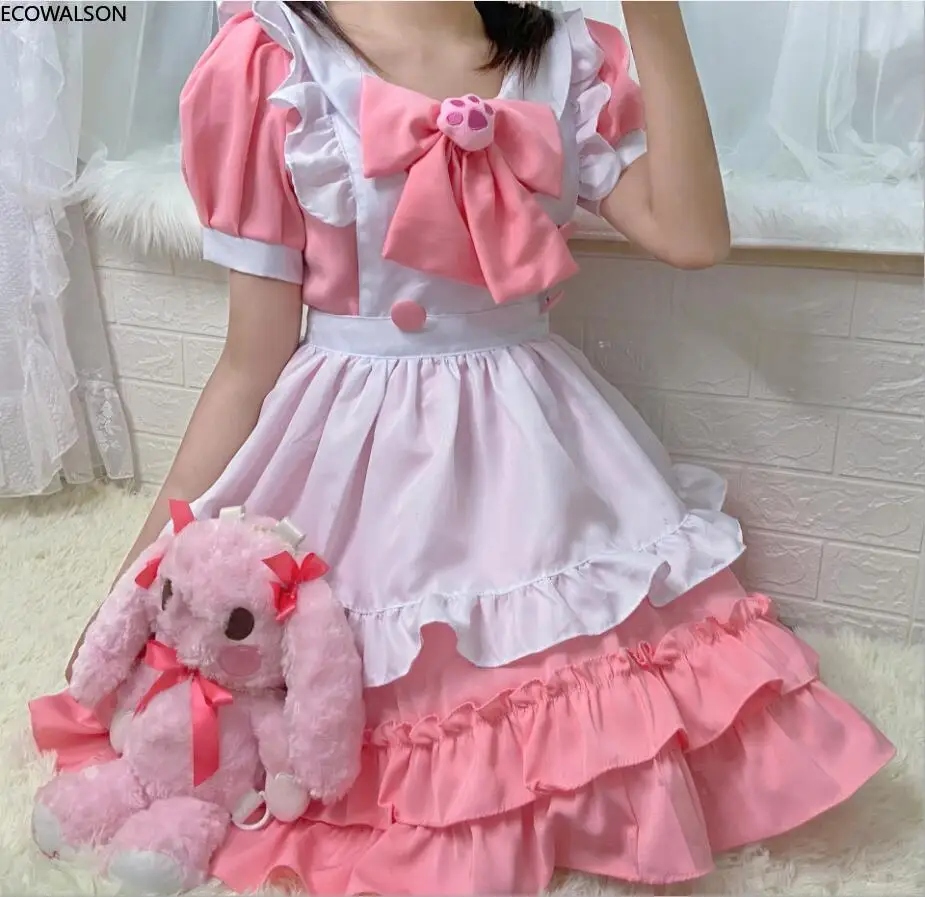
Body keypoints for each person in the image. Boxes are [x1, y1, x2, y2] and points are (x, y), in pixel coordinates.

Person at [31, 1, 894, 894]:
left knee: (600, 709)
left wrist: (654, 15)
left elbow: (692, 235)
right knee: (295, 702)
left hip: (533, 452)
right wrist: (135, 580)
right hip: (353, 454)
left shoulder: (557, 54)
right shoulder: (276, 58)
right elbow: (249, 363)